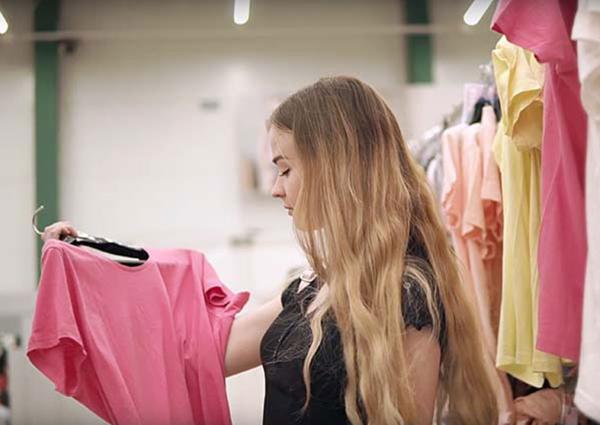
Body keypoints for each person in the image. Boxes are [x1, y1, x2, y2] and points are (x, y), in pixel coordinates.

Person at [42, 76, 498, 425]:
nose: (277, 188)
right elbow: (196, 348)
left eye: (285, 169)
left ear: (334, 168)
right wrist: (92, 261)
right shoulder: (311, 291)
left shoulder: (407, 295)